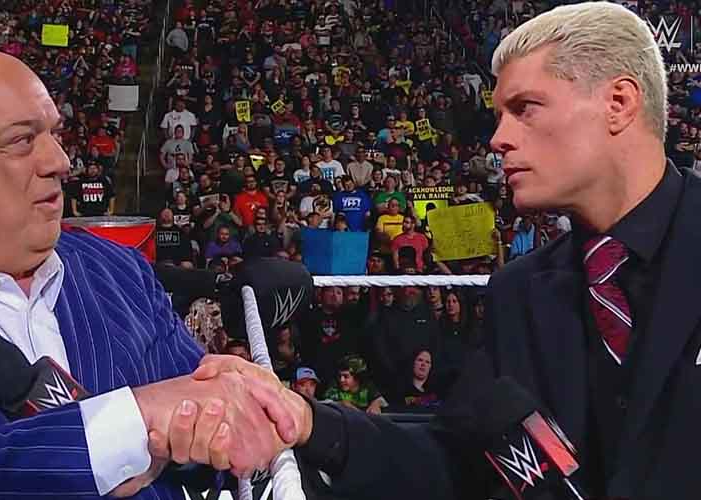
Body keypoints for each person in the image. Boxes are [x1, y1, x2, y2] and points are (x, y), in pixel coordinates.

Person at [171, 3, 701, 499]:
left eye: (525, 109)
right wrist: (309, 420)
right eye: (500, 115)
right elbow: (459, 460)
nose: (498, 138)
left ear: (618, 103)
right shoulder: (518, 292)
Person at [0, 48, 295, 499]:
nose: (60, 161)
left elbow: (207, 442)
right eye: (21, 141)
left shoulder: (115, 269)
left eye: (54, 134)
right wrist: (130, 425)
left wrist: (215, 419)